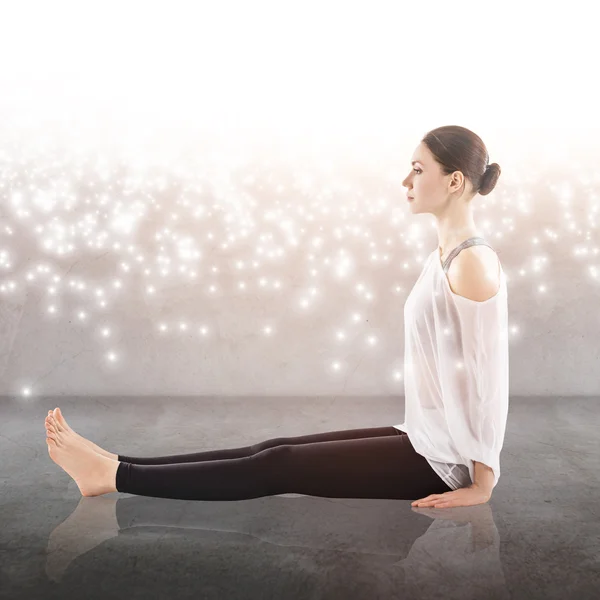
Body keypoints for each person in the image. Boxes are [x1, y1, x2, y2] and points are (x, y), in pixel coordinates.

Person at [45, 125, 507, 508]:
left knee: (278, 464)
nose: (406, 182)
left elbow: (487, 380)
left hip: (444, 463)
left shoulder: (471, 264)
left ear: (454, 182)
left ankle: (113, 476)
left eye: (418, 169)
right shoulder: (443, 255)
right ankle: (115, 465)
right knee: (271, 449)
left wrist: (481, 483)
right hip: (425, 438)